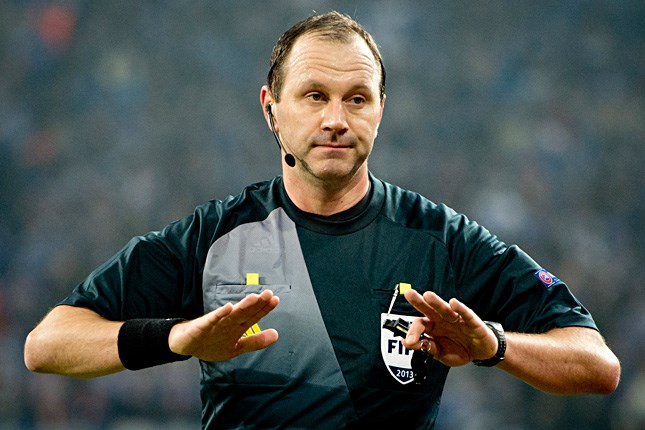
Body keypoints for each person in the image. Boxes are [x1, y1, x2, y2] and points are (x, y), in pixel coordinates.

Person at [24, 11, 620, 429]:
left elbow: (598, 364)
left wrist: (493, 345)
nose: (336, 119)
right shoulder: (214, 237)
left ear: (381, 110)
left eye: (357, 98)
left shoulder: (442, 239)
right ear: (271, 109)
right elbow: (47, 343)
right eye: (314, 96)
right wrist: (175, 338)